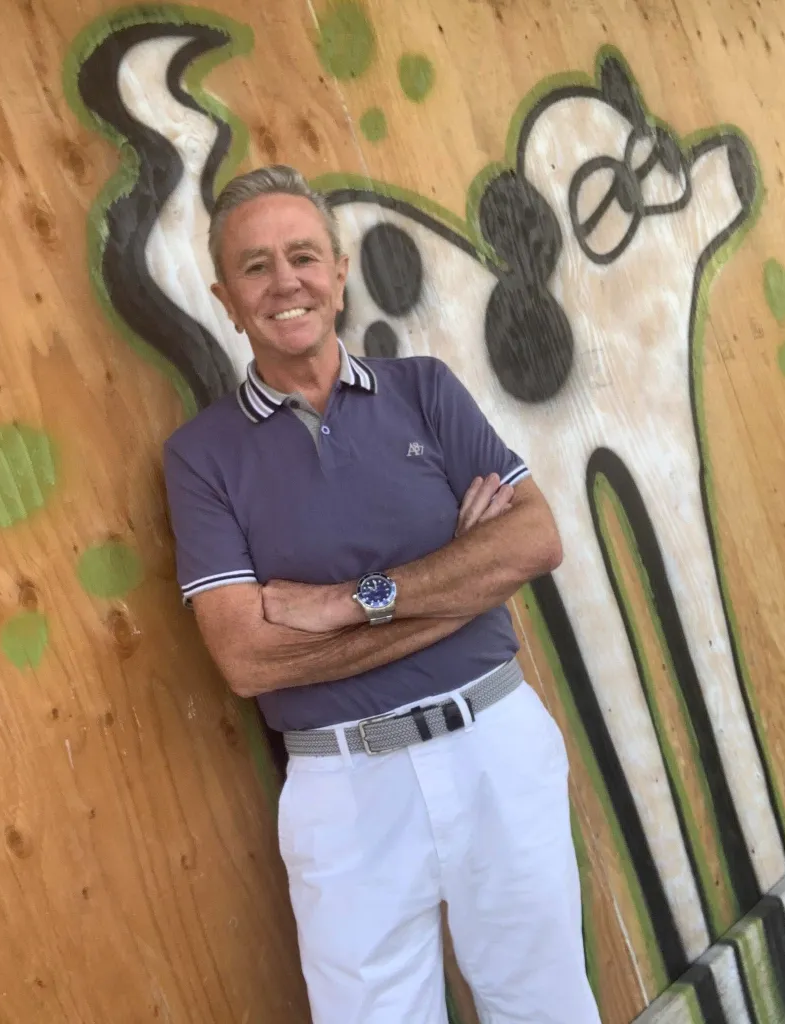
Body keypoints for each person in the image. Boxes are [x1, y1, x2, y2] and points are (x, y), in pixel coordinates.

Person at [162, 164, 601, 1024]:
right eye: (256, 266)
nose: (285, 281)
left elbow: (534, 540)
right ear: (225, 294)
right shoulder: (200, 457)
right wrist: (461, 582)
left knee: (544, 1007)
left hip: (495, 749)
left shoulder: (425, 390)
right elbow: (248, 658)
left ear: (339, 269)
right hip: (343, 787)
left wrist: (341, 603)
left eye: (303, 256)